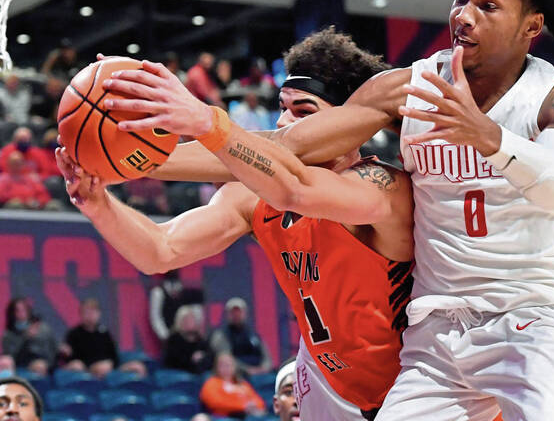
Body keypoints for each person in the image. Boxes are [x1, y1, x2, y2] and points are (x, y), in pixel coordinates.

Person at [102, 0, 554, 420]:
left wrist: (488, 136)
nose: (464, 16)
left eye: (487, 5)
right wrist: (139, 157)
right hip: (435, 329)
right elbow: (289, 146)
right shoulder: (412, 86)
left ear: (532, 25)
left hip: (527, 322)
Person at [58, 29, 417, 420]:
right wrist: (98, 203)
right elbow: (161, 250)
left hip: (415, 388)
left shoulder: (383, 188)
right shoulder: (254, 197)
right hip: (334, 387)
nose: (284, 123)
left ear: (347, 126)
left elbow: (293, 184)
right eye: (282, 107)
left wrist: (202, 125)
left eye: (304, 112)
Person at [64, 298, 146, 378]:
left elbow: (114, 355)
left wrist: (110, 364)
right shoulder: (74, 334)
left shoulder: (104, 332)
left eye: (93, 312)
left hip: (109, 367)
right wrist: (92, 366)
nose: (90, 316)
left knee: (138, 366)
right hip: (87, 370)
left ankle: (136, 389)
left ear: (99, 314)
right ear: (81, 314)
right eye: (86, 312)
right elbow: (72, 359)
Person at [210, 298, 271, 376]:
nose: (236, 315)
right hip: (237, 374)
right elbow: (225, 359)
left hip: (260, 373)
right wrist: (248, 370)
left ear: (245, 313)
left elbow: (267, 357)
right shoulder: (221, 335)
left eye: (239, 312)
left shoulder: (253, 335)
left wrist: (264, 368)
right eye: (233, 313)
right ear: (227, 315)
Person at [2, 298, 59, 375]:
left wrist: (47, 364)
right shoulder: (8, 335)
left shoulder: (42, 328)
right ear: (12, 313)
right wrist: (25, 337)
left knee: (40, 367)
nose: (22, 313)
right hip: (21, 366)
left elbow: (52, 351)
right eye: (17, 310)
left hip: (43, 364)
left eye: (24, 310)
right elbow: (10, 357)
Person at [199, 352, 266, 418]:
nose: (226, 368)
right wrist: (243, 406)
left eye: (229, 365)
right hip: (224, 417)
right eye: (223, 365)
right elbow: (215, 403)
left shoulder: (242, 384)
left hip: (247, 415)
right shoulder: (211, 383)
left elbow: (259, 402)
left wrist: (254, 406)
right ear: (216, 367)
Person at [149, 270, 204, 342]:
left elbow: (197, 312)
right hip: (170, 335)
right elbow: (155, 317)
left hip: (186, 338)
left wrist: (193, 331)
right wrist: (167, 337)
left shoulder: (185, 292)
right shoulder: (158, 292)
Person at [164, 305, 214, 374]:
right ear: (179, 322)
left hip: (199, 374)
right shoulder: (173, 339)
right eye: (186, 320)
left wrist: (202, 357)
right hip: (178, 374)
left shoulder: (200, 339)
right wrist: (192, 359)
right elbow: (172, 361)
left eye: (191, 319)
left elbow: (210, 356)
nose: (189, 322)